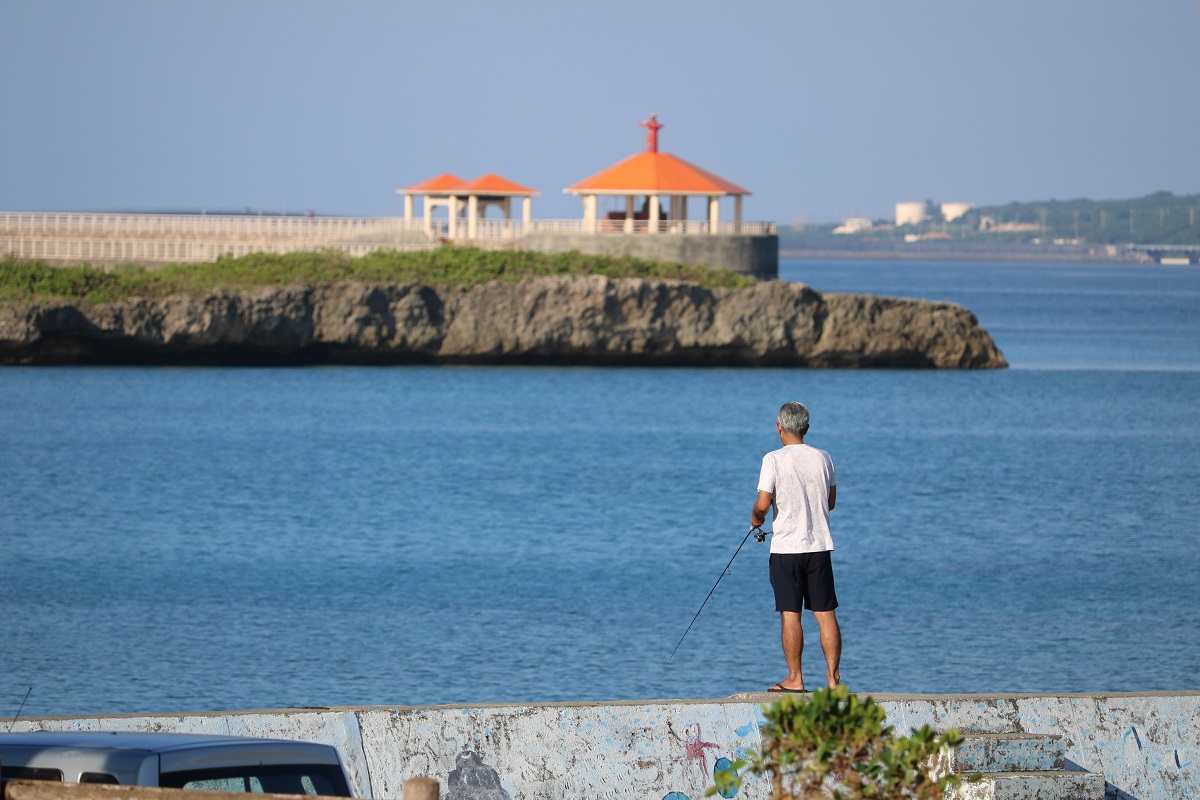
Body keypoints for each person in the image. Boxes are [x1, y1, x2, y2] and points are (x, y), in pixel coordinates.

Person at [751, 401, 841, 692]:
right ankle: (832, 678)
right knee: (825, 613)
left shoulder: (773, 459)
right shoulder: (824, 457)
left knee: (791, 612)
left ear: (779, 428)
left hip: (787, 549)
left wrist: (755, 518)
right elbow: (830, 503)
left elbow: (763, 506)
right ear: (806, 428)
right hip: (819, 546)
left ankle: (795, 679)